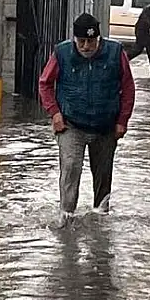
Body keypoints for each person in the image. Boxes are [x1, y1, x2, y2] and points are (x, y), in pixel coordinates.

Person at [38, 13, 136, 225]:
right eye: (81, 41)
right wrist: (54, 113)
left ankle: (100, 217)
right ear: (74, 39)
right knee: (71, 166)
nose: (86, 46)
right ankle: (66, 216)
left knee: (103, 174)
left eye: (91, 41)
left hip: (106, 126)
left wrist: (122, 121)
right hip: (71, 124)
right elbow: (45, 84)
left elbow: (128, 87)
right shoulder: (62, 53)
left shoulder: (115, 52)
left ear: (98, 39)